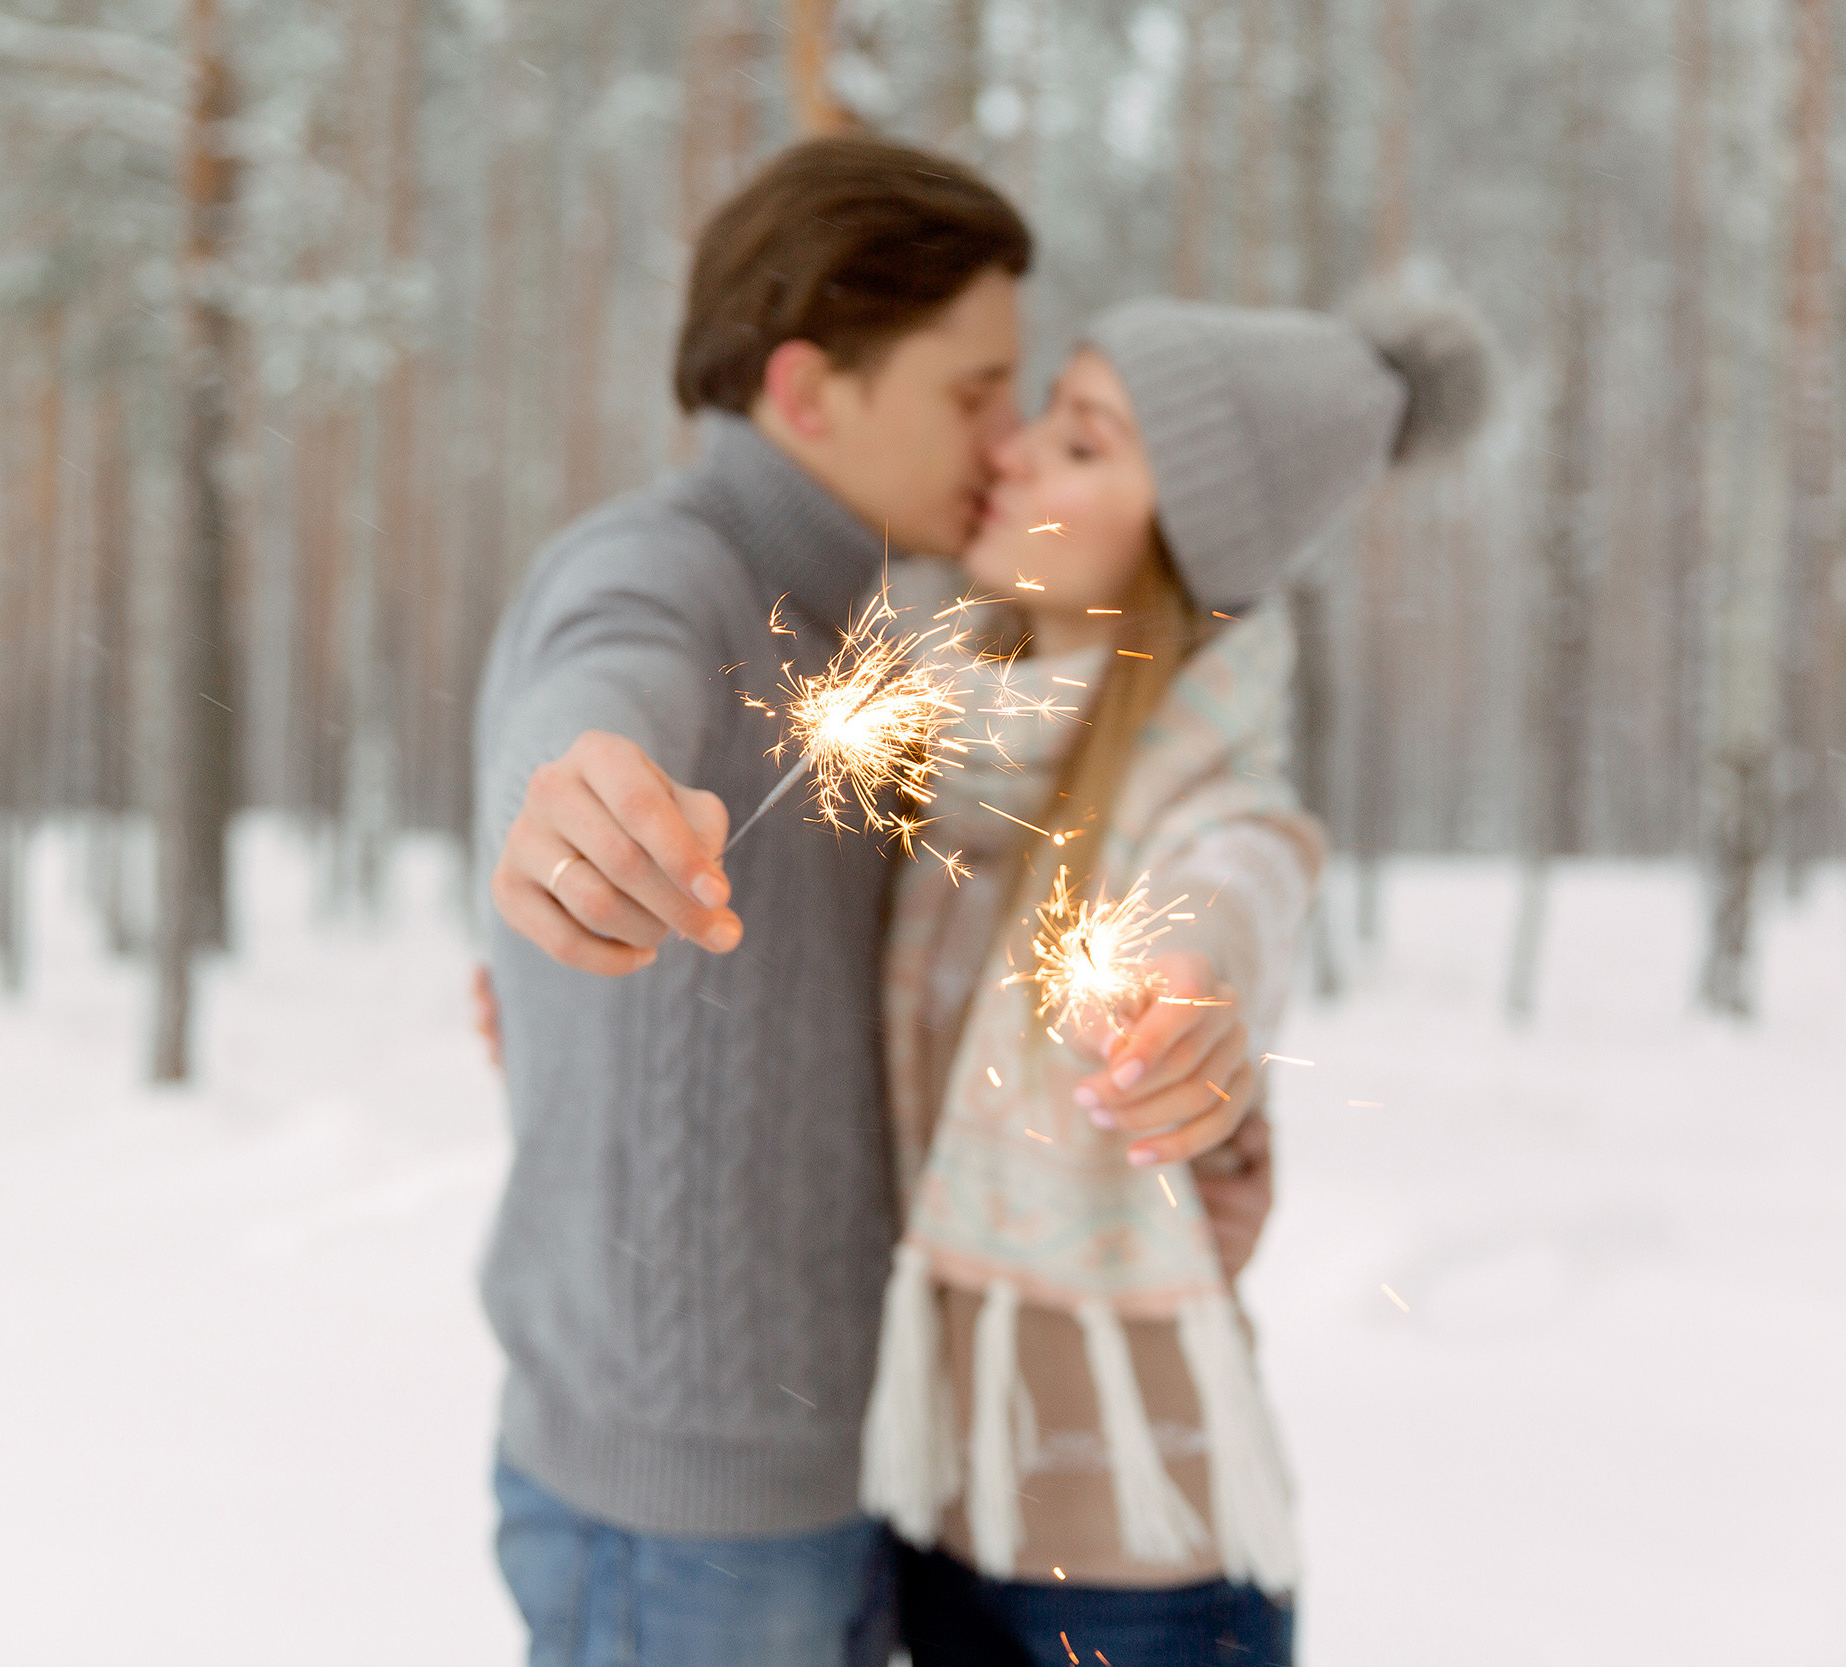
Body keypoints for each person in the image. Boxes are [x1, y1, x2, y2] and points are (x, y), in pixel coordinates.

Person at [471, 136, 1265, 1665]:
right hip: (685, 1516)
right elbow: (596, 690)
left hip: (866, 1473)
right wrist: (570, 802)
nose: (1008, 435)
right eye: (973, 392)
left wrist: (1203, 1111)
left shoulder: (922, 633)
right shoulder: (665, 572)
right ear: (806, 392)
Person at [862, 293, 1493, 1666]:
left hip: (1140, 1581)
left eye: (1085, 446)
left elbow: (1235, 888)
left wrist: (1192, 986)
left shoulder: (1210, 794)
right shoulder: (949, 756)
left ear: (1181, 541)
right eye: (1048, 416)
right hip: (932, 1534)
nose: (1018, 454)